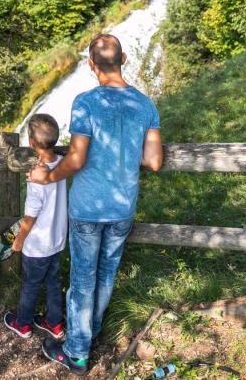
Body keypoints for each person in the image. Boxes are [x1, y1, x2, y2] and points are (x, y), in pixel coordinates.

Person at [29, 34, 164, 375]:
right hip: (122, 207)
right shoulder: (145, 105)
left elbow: (75, 159)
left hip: (88, 207)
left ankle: (76, 351)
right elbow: (154, 161)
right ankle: (92, 331)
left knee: (83, 279)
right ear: (125, 59)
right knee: (106, 274)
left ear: (91, 65)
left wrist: (48, 177)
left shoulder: (85, 102)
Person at [4, 114, 68, 341]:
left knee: (31, 284)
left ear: (31, 144)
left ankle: (22, 324)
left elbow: (30, 215)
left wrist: (19, 239)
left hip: (38, 245)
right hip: (57, 240)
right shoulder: (62, 164)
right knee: (53, 281)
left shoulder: (36, 176)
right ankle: (54, 322)